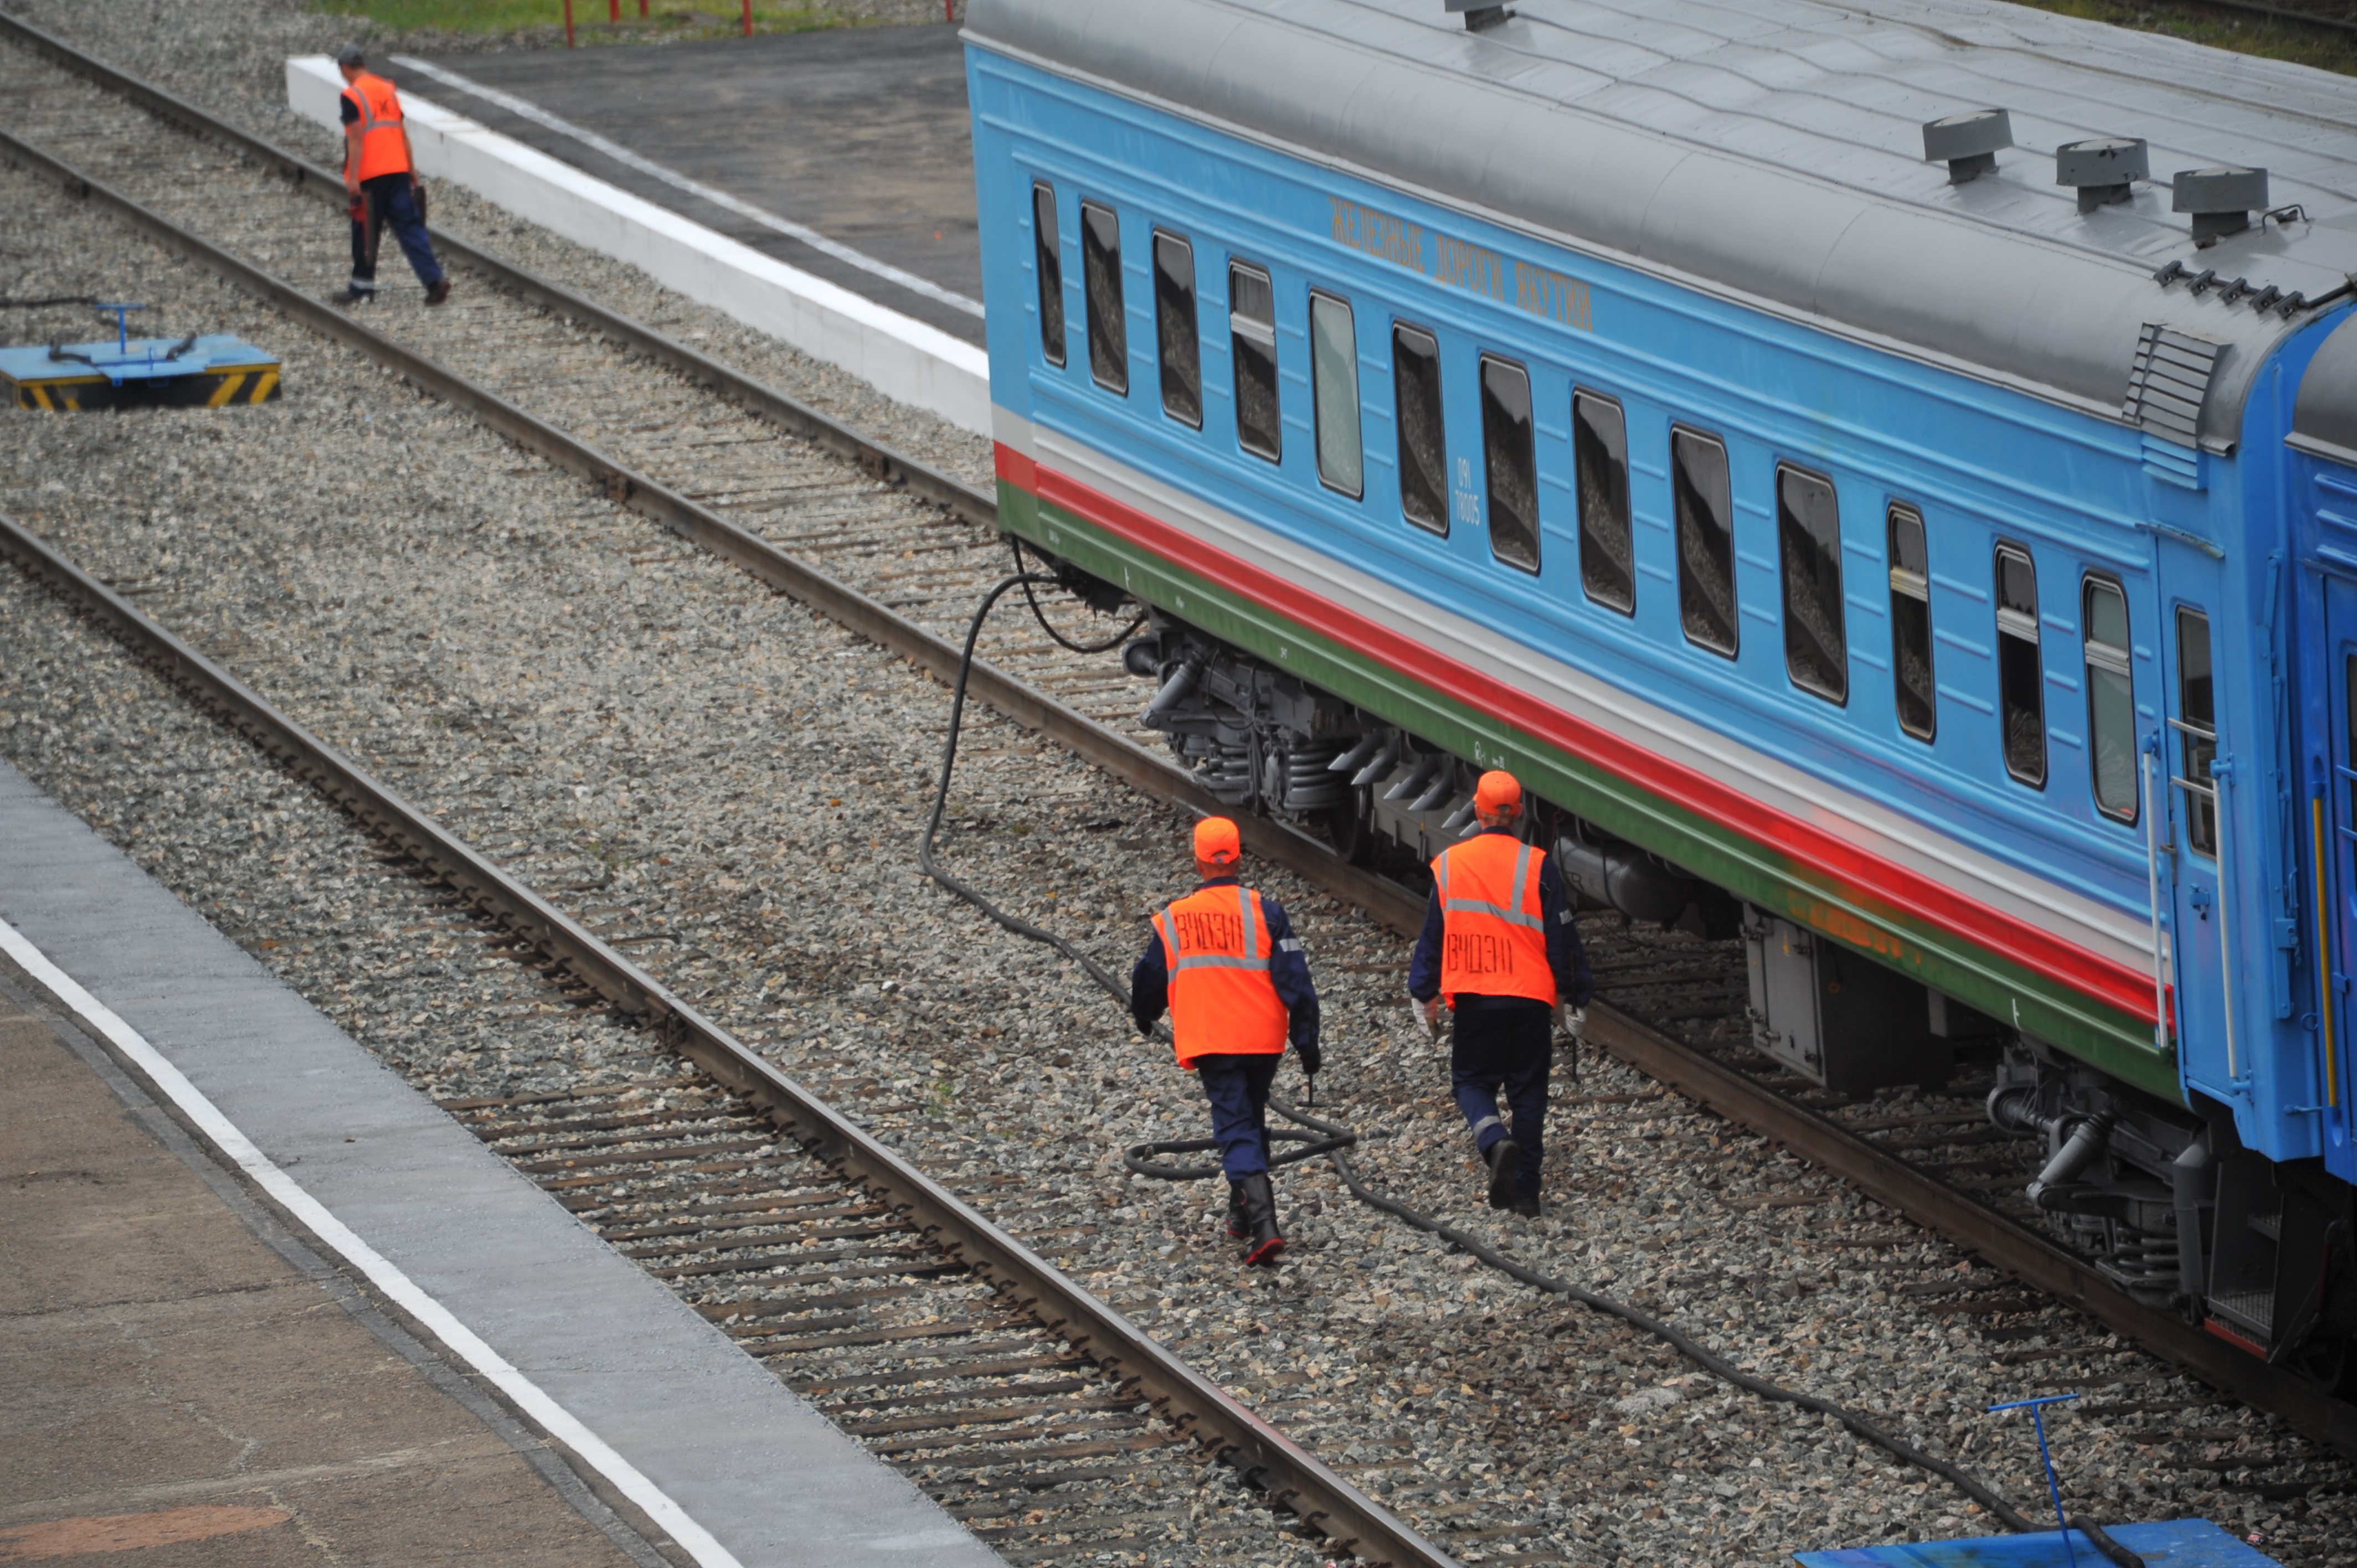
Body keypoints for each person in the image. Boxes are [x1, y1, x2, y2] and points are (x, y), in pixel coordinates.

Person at [1131, 817, 1321, 1266]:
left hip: (1214, 1039)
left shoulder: (1175, 918)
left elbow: (1151, 975)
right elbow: (1297, 981)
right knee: (1251, 1119)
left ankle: (1265, 1227)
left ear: (1198, 861)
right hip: (1263, 1040)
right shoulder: (1267, 913)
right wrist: (1307, 1041)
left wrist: (1145, 1014)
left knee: (1236, 1128)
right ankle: (1240, 1214)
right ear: (1238, 857)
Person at [1408, 770, 1592, 1218]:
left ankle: (1494, 1141)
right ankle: (1526, 1193)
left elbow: (1433, 936)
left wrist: (1423, 993)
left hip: (1475, 998)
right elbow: (1562, 936)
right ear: (1518, 812)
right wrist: (1576, 996)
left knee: (1472, 1082)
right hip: (1529, 1000)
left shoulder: (1450, 864)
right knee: (1528, 1094)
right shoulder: (1538, 864)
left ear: (1478, 810)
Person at [335, 46, 449, 306]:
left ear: (345, 68)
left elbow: (356, 138)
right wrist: (412, 171)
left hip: (370, 174)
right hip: (397, 168)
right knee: (410, 227)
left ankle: (362, 287)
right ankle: (434, 281)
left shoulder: (351, 95)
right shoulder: (387, 89)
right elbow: (401, 132)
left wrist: (352, 179)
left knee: (365, 230)